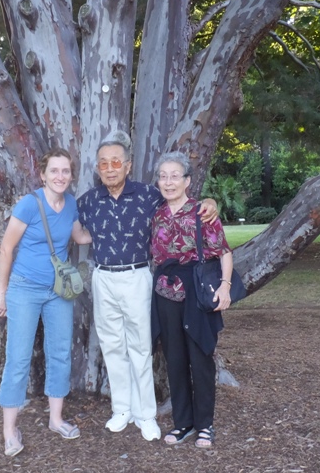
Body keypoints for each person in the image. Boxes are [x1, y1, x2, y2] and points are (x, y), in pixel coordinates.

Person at [77, 134, 217, 442]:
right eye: (104, 163)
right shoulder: (87, 201)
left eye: (116, 162)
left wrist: (210, 202)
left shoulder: (148, 195)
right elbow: (76, 230)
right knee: (112, 346)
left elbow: (182, 202)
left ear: (127, 166)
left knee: (140, 346)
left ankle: (146, 415)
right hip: (103, 278)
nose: (110, 168)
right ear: (98, 168)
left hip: (137, 276)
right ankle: (121, 410)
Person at [0, 148, 92, 457]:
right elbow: (7, 249)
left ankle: (56, 419)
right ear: (43, 175)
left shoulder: (71, 204)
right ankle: (10, 431)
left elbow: (79, 237)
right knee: (19, 357)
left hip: (58, 292)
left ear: (71, 175)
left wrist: (115, 227)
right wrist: (2, 292)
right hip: (24, 289)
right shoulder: (30, 204)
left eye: (65, 171)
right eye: (54, 171)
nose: (60, 176)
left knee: (60, 353)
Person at [150, 151, 233, 449]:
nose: (168, 182)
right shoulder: (157, 213)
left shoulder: (202, 212)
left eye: (175, 176)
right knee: (174, 359)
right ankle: (183, 423)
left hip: (197, 292)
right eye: (163, 176)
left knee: (200, 357)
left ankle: (205, 426)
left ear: (187, 180)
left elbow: (223, 251)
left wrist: (224, 287)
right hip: (165, 293)